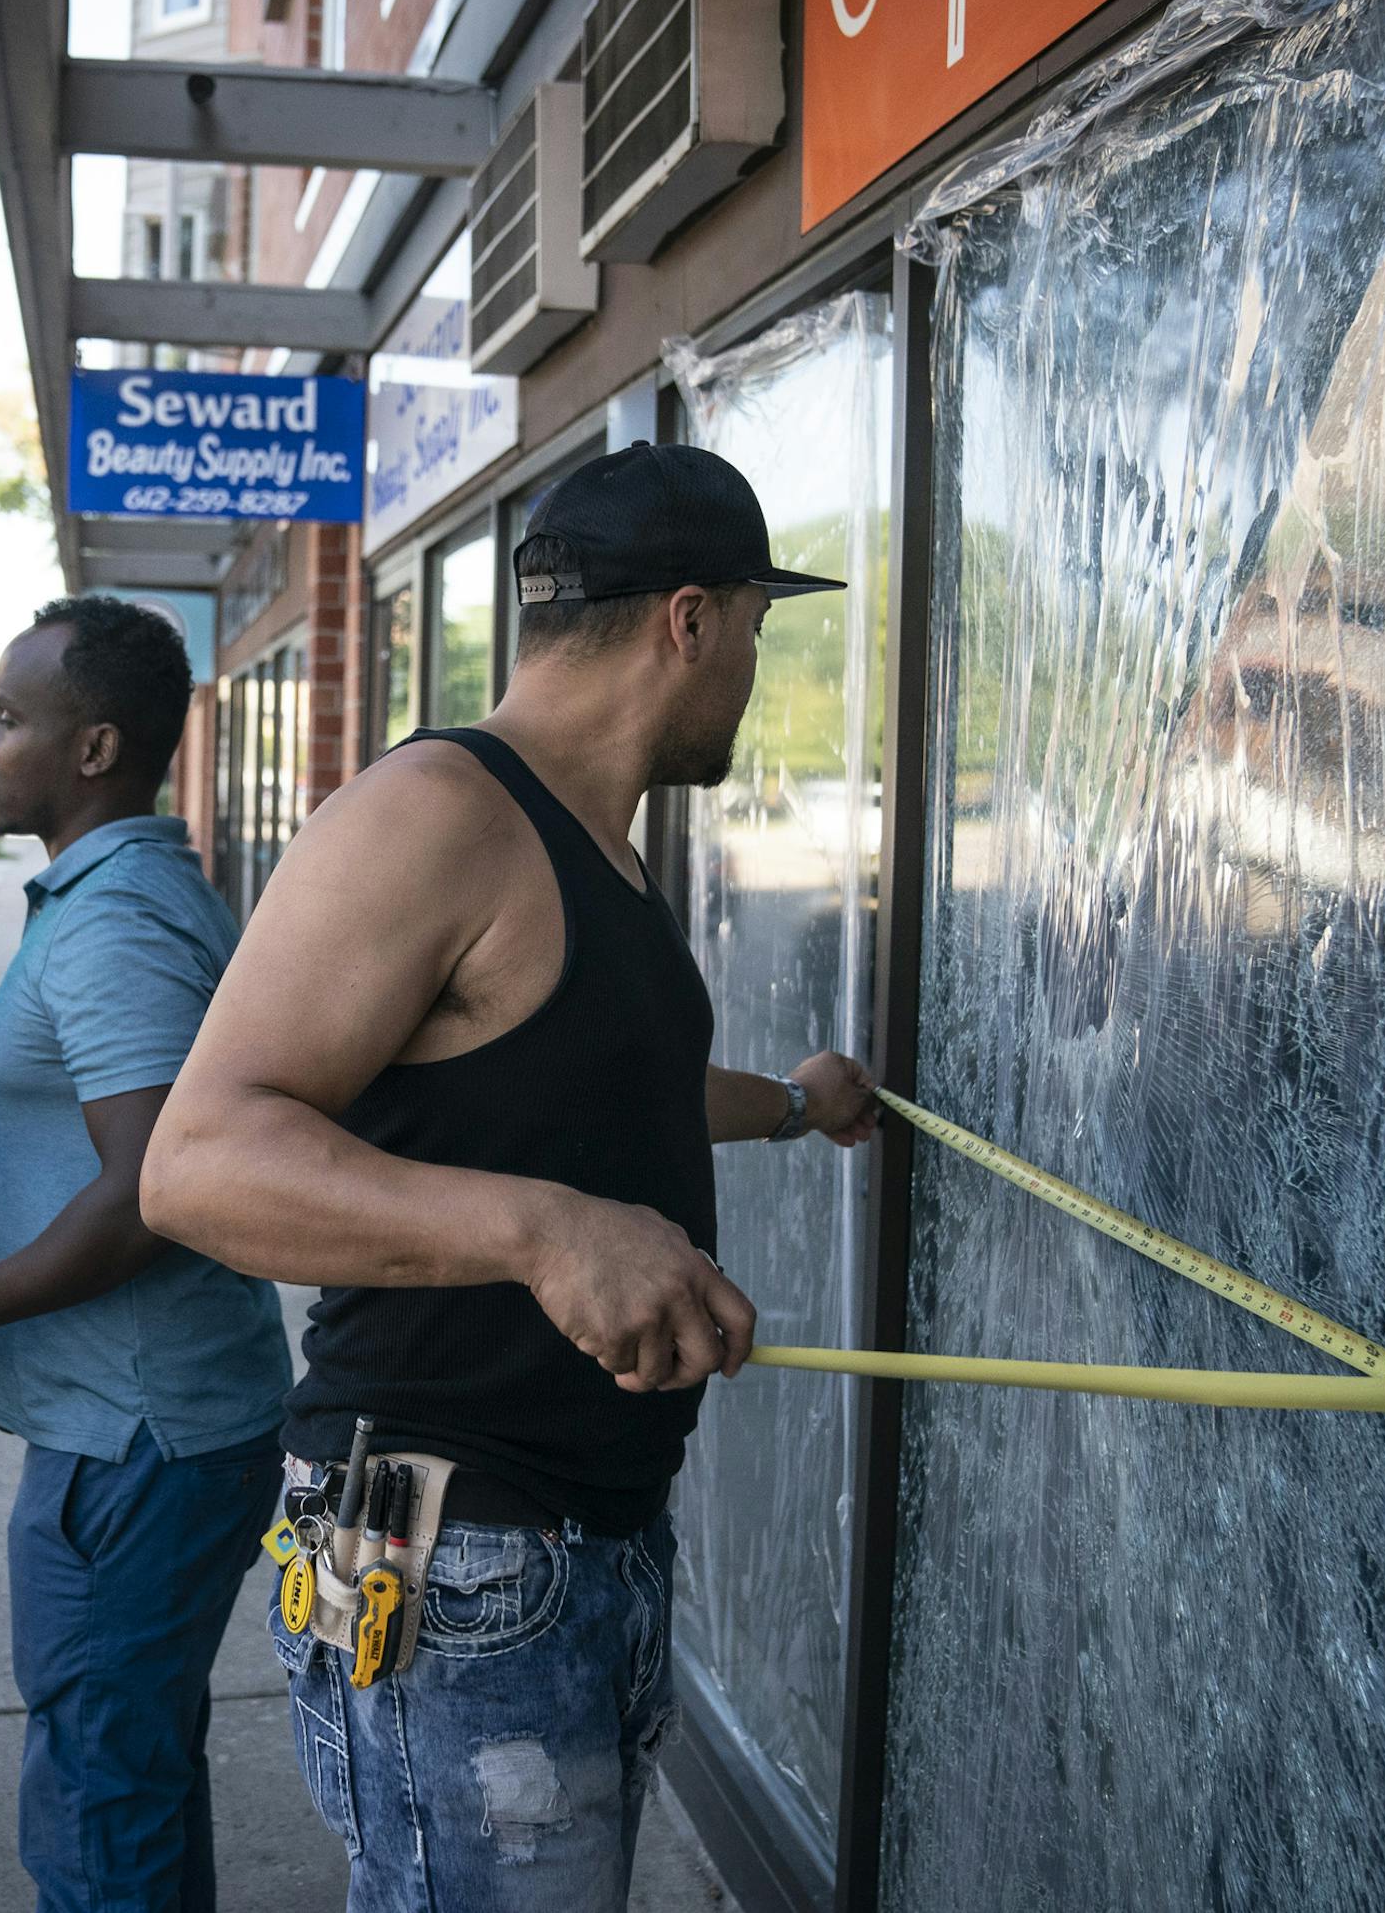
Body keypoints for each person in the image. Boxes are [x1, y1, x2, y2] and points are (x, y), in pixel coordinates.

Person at [140, 445, 882, 1910]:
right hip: (436, 1544)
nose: (749, 662)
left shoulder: (595, 844)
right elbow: (198, 1160)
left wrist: (795, 1105)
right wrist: (545, 1231)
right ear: (690, 620)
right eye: (754, 625)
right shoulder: (439, 811)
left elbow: (590, 1096)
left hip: (566, 1548)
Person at [0, 595, 292, 1913]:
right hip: (129, 1403)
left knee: (99, 1804)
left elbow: (149, 1194)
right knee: (129, 1771)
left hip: (139, 1438)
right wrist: (24, 1331)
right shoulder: (115, 894)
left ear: (96, 748)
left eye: (10, 715)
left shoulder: (116, 922)